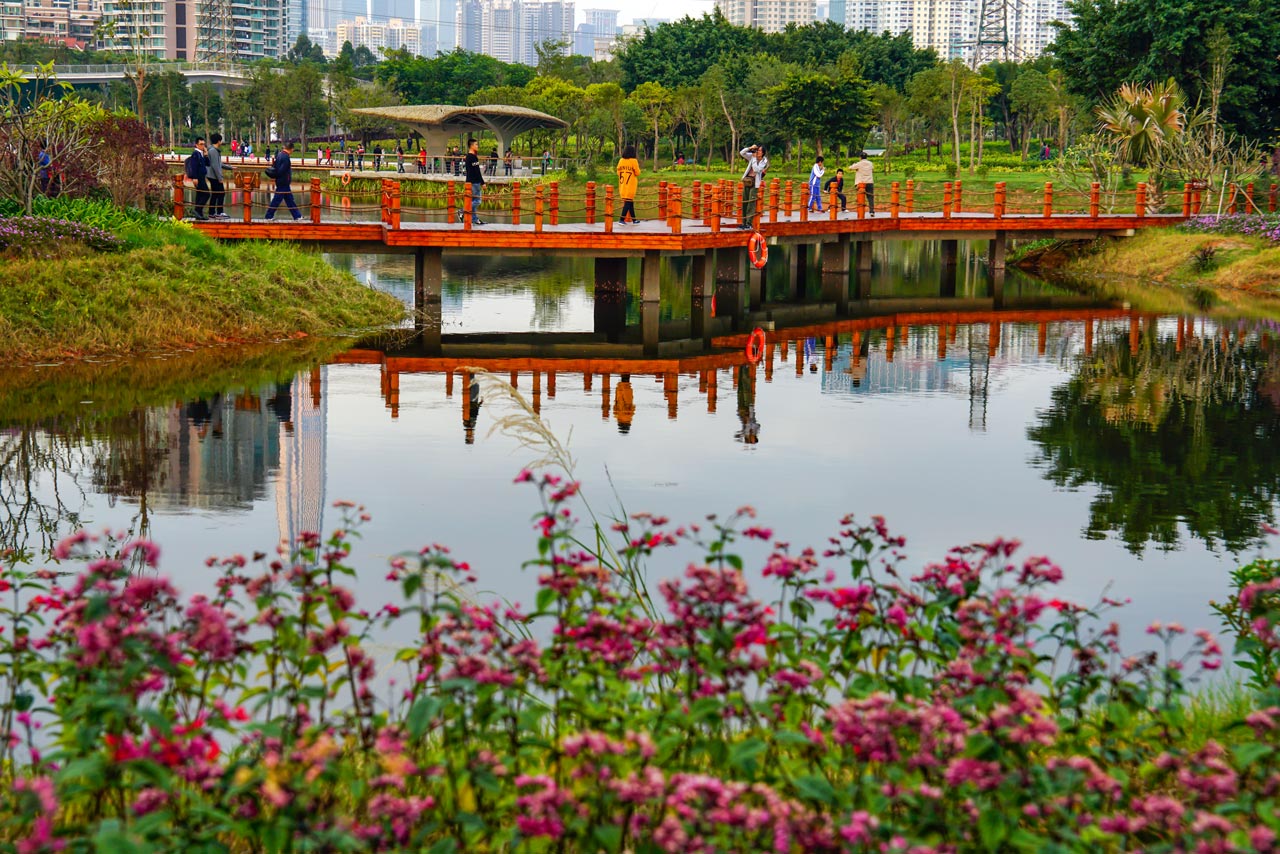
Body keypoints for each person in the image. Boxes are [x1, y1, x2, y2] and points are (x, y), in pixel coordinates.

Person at [264, 141, 301, 221]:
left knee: (289, 199)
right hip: (283, 182)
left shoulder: (280, 155)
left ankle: (297, 216)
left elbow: (275, 166)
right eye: (293, 149)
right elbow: (282, 170)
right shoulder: (285, 157)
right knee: (277, 200)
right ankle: (269, 215)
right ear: (291, 149)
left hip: (282, 181)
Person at [739, 144, 768, 229]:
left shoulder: (764, 161)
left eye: (759, 150)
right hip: (747, 181)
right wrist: (750, 148)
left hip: (755, 183)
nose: (757, 152)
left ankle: (749, 223)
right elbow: (742, 153)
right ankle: (743, 223)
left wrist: (754, 158)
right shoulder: (752, 156)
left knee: (751, 203)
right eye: (757, 150)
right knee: (745, 202)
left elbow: (756, 169)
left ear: (763, 153)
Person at [185, 137, 209, 221]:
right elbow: (194, 166)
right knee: (206, 194)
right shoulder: (195, 153)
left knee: (200, 195)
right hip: (198, 177)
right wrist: (195, 177)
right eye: (201, 144)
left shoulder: (201, 153)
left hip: (202, 176)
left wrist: (206, 154)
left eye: (204, 144)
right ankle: (197, 210)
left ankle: (199, 214)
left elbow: (208, 164)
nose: (203, 146)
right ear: (196, 145)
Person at [462, 138, 485, 225]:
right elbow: (477, 171)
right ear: (471, 146)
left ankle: (475, 219)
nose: (477, 146)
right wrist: (482, 183)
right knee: (478, 201)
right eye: (476, 144)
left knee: (474, 200)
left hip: (470, 181)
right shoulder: (473, 157)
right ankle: (463, 210)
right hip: (474, 182)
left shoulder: (468, 157)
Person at [616, 144, 641, 224]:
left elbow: (618, 171)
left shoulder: (621, 160)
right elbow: (637, 173)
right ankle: (621, 219)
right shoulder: (634, 161)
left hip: (623, 184)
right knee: (628, 201)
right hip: (630, 184)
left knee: (629, 201)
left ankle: (634, 220)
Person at [208, 133, 228, 219]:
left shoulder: (214, 150)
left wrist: (230, 167)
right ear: (219, 141)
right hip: (214, 176)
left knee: (216, 194)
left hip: (213, 176)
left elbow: (219, 163)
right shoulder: (213, 151)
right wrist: (219, 178)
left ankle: (213, 212)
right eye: (221, 140)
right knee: (220, 193)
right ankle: (218, 212)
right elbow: (215, 166)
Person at [853, 151, 875, 216]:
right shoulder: (870, 163)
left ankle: (861, 211)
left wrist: (855, 167)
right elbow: (872, 169)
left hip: (861, 183)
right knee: (870, 197)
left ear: (860, 157)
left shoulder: (859, 164)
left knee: (860, 197)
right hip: (869, 182)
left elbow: (850, 167)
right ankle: (871, 211)